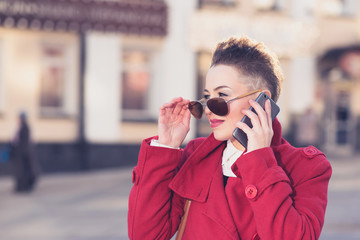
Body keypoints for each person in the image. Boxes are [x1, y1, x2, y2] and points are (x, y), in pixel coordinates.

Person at [128, 37, 332, 240]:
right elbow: (145, 235)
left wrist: (260, 159)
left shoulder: (307, 167)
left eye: (221, 97)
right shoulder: (196, 156)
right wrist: (166, 146)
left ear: (261, 101)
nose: (208, 109)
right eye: (207, 98)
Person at [10, 112, 40, 193]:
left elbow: (23, 141)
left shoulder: (24, 128)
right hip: (22, 153)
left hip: (23, 153)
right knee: (21, 170)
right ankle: (21, 187)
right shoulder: (22, 127)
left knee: (23, 171)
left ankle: (23, 187)